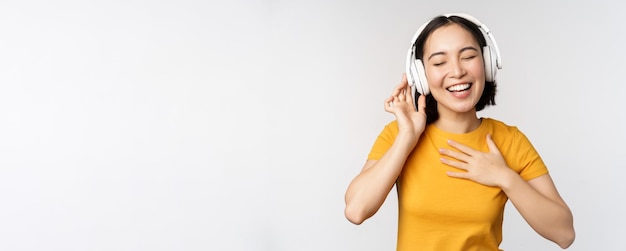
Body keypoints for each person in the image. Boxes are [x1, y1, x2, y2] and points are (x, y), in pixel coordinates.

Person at [343, 13, 575, 250]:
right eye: (439, 62)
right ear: (422, 76)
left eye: (468, 57)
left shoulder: (509, 140)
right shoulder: (400, 135)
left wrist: (504, 177)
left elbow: (564, 233)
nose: (456, 71)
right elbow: (356, 210)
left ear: (486, 63)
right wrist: (406, 139)